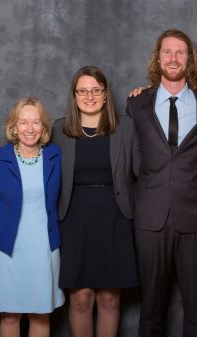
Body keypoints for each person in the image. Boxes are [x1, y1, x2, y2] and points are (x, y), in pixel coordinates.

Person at [126, 29, 197, 337]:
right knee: (152, 308)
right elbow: (133, 159)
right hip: (151, 218)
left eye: (181, 52)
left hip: (195, 217)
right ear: (158, 58)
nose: (174, 58)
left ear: (190, 59)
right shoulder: (136, 105)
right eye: (167, 51)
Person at [52, 65, 139, 337]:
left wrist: (149, 92)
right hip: (75, 220)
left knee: (110, 299)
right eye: (83, 90)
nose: (89, 96)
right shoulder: (58, 130)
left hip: (115, 218)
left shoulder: (126, 126)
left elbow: (142, 172)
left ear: (105, 94)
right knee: (80, 299)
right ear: (74, 95)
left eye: (96, 90)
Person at [0, 97, 64, 337]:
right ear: (14, 127)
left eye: (36, 122)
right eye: (24, 122)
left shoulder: (56, 156)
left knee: (40, 314)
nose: (30, 129)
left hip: (44, 245)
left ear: (43, 127)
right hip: (9, 246)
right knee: (9, 314)